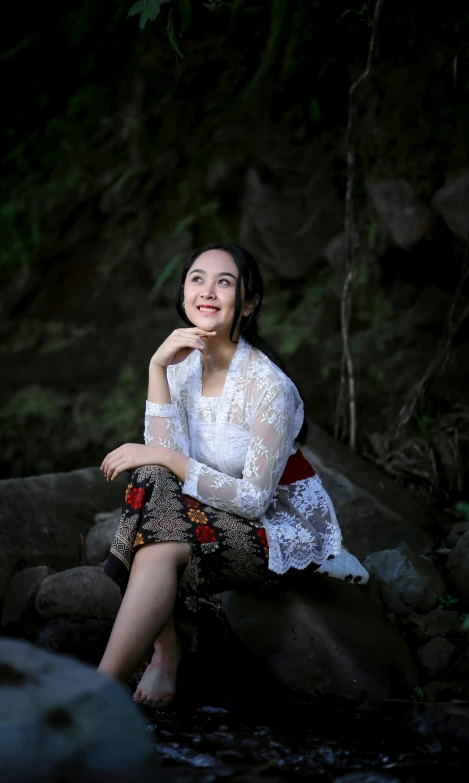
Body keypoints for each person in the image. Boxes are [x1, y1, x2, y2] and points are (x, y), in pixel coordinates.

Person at [98, 243, 357, 708]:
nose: (208, 291)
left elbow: (255, 500)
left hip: (271, 530)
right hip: (195, 517)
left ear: (249, 303)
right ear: (183, 294)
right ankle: (149, 661)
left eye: (224, 282)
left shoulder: (269, 387)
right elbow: (163, 464)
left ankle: (115, 681)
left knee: (154, 493)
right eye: (197, 279)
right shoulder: (179, 367)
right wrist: (157, 367)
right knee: (154, 487)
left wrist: (168, 463)